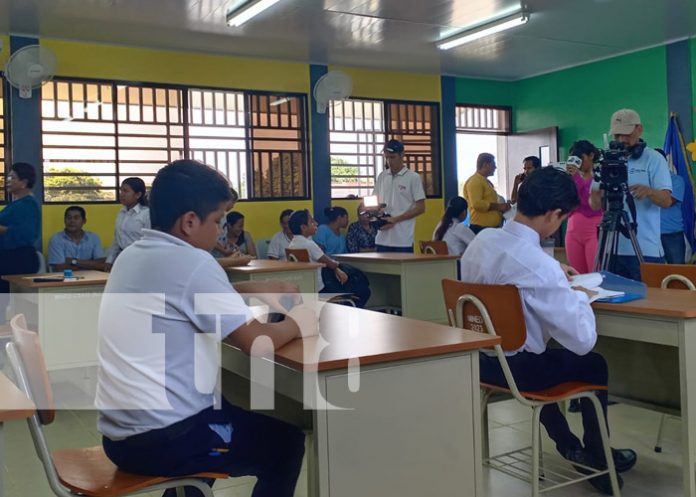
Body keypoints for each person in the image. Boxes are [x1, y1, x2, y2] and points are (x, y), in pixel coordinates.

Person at [96, 159, 305, 497]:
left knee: (220, 415)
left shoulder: (133, 255)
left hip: (120, 438)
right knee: (286, 443)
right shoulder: (193, 262)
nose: (221, 230)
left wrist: (255, 287)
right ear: (190, 222)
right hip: (168, 440)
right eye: (219, 220)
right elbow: (257, 343)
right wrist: (298, 321)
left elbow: (181, 298)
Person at [460, 167, 636, 495]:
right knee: (591, 362)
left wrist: (554, 270)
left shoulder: (482, 241)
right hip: (522, 372)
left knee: (539, 357)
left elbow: (514, 263)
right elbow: (582, 341)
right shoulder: (538, 265)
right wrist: (580, 298)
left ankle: (569, 446)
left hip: (482, 363)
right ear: (555, 214)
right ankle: (598, 458)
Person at [589, 109, 672, 281]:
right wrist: (597, 195)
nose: (621, 140)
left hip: (646, 250)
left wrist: (649, 191)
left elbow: (666, 201)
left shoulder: (654, 158)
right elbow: (595, 205)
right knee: (612, 302)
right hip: (611, 249)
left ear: (639, 129)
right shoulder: (606, 160)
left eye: (625, 134)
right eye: (617, 135)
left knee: (650, 304)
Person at [288, 209, 371, 308]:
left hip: (307, 287)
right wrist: (336, 268)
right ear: (303, 227)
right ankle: (347, 314)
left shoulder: (292, 244)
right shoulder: (308, 244)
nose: (316, 223)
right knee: (364, 290)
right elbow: (330, 263)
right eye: (312, 222)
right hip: (322, 287)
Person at [372, 139, 426, 252]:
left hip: (403, 240)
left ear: (402, 155)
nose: (389, 161)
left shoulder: (412, 177)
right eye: (387, 157)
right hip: (382, 238)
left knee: (403, 270)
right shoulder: (382, 176)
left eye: (392, 157)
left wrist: (395, 219)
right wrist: (376, 212)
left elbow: (421, 208)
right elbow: (374, 201)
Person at [0, 163, 40, 296]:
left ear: (23, 182)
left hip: (18, 261)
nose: (8, 181)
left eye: (12, 178)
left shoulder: (28, 204)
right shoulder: (16, 204)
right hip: (7, 259)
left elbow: (26, 234)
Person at [565, 141, 603, 273]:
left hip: (593, 228)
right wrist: (571, 177)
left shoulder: (599, 175)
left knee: (595, 273)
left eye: (581, 159)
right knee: (577, 274)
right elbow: (569, 200)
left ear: (591, 156)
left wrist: (578, 179)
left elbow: (593, 203)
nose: (579, 163)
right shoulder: (571, 177)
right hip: (573, 229)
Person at [105, 177, 150, 270]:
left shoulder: (146, 214)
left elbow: (150, 240)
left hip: (140, 259)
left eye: (126, 191)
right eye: (121, 191)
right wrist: (109, 261)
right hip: (122, 259)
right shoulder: (121, 213)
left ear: (138, 194)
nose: (122, 195)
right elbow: (117, 240)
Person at [463, 153, 511, 234]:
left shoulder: (484, 181)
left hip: (490, 228)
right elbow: (477, 204)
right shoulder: (475, 181)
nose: (495, 167)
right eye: (493, 164)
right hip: (481, 228)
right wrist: (499, 206)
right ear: (485, 165)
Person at [47, 206, 106, 271]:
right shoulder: (56, 239)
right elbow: (59, 268)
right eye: (69, 218)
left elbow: (102, 264)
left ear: (84, 221)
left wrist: (74, 261)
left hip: (92, 278)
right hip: (66, 279)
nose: (72, 221)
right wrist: (91, 264)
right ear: (64, 220)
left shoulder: (93, 237)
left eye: (76, 218)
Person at [656, 148, 687, 264]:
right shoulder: (646, 182)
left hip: (671, 234)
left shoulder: (676, 180)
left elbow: (667, 201)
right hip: (651, 235)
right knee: (653, 273)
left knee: (677, 272)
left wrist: (648, 192)